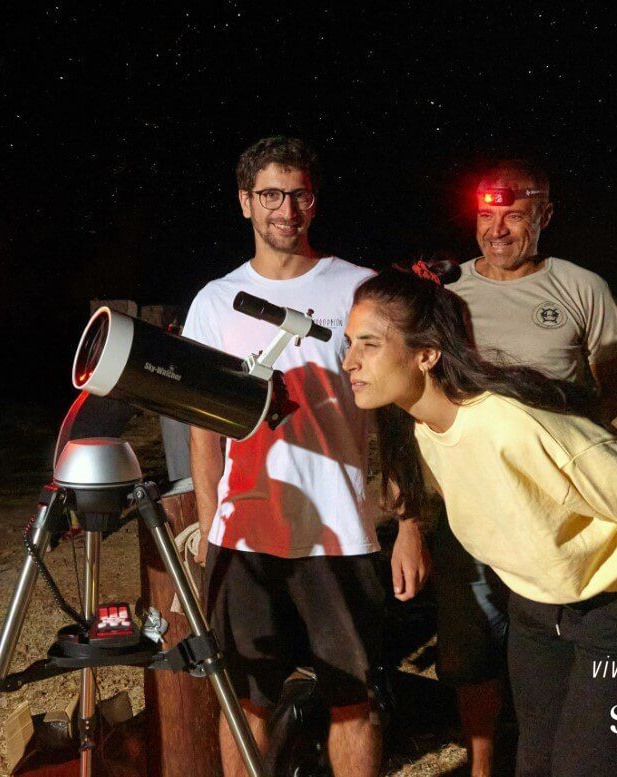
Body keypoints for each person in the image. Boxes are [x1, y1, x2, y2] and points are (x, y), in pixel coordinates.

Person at [342, 268, 617, 777]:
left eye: (368, 344)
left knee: (585, 766)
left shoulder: (510, 423)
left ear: (427, 353)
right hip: (539, 610)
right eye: (350, 344)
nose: (349, 362)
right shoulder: (426, 427)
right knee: (535, 762)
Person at [184, 136, 429, 777]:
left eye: (298, 195)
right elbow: (202, 434)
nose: (285, 209)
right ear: (245, 203)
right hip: (245, 532)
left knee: (353, 700)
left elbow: (402, 419)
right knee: (247, 701)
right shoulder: (215, 301)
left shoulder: (359, 290)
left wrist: (408, 525)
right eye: (270, 194)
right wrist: (213, 529)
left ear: (313, 202)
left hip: (340, 532)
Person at [436, 160, 617, 776]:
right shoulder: (445, 294)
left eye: (514, 215)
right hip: (467, 498)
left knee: (553, 636)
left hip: (560, 506)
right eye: (486, 215)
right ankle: (482, 764)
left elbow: (615, 394)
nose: (497, 229)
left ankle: (548, 751)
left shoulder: (581, 287)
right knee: (472, 644)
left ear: (544, 216)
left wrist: (555, 438)